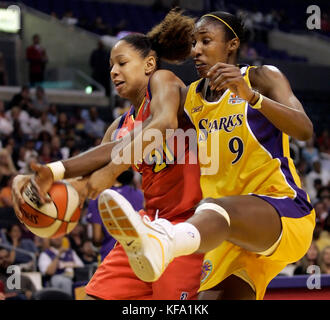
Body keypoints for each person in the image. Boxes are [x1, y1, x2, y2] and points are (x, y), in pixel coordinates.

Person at [86, 11, 315, 300]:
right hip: (222, 235)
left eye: (205, 41)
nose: (196, 50)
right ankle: (164, 241)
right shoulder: (190, 97)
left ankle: (162, 242)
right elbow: (143, 127)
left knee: (215, 207)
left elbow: (305, 129)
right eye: (194, 43)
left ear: (231, 44)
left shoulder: (261, 77)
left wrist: (252, 96)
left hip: (278, 209)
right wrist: (62, 173)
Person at [12, 9, 203, 300]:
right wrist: (47, 178)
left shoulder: (163, 82)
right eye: (111, 65)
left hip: (189, 227)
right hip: (148, 225)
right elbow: (99, 163)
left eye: (122, 63)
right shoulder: (121, 124)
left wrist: (111, 171)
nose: (113, 71)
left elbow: (164, 123)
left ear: (149, 63)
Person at [86, 170, 143, 262]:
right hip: (138, 257)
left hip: (111, 255)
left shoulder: (98, 197)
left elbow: (97, 238)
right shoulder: (139, 195)